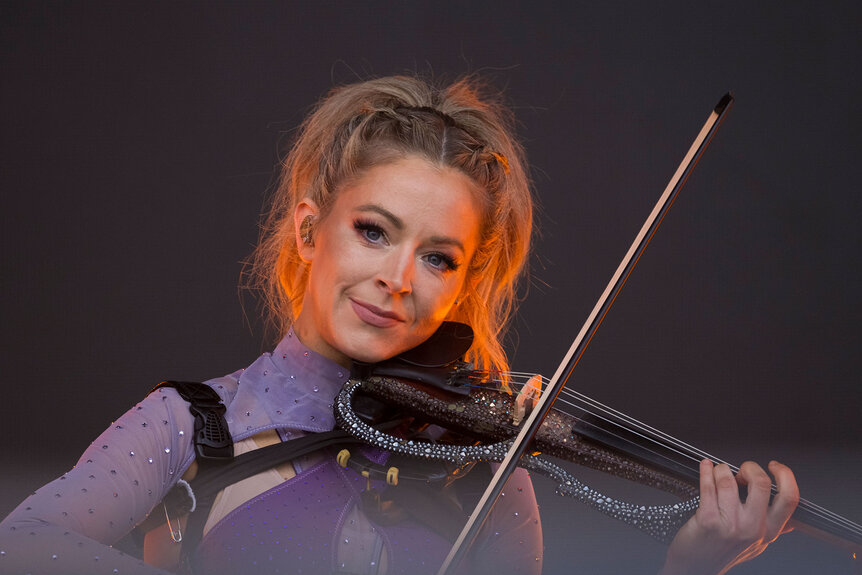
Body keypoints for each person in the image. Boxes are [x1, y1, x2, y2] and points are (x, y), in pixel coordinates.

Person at [0, 75, 798, 575]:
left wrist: (692, 569)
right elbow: (20, 543)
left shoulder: (485, 467)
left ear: (462, 285)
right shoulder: (195, 423)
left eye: (440, 257)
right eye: (374, 231)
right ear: (311, 232)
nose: (397, 278)